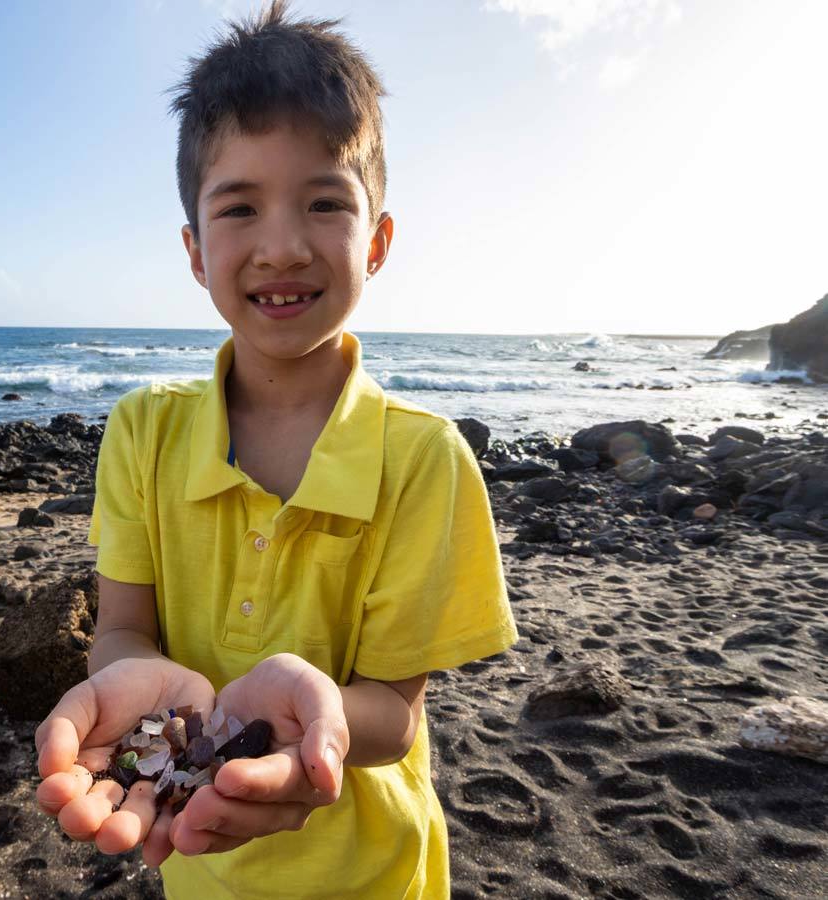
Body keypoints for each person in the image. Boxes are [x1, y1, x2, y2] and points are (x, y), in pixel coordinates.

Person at [34, 2, 518, 896]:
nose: (283, 246)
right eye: (239, 207)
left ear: (375, 242)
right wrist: (136, 678)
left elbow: (394, 714)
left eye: (325, 202)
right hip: (195, 863)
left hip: (372, 870)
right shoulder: (142, 430)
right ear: (194, 249)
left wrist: (321, 711)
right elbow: (123, 629)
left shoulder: (424, 459)